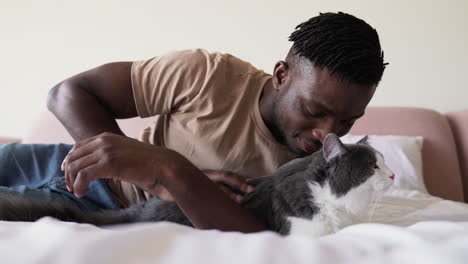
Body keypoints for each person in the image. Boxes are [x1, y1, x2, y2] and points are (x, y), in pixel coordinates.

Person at [0, 12, 386, 233]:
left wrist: (176, 175)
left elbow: (253, 235)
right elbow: (68, 94)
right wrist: (139, 168)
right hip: (66, 164)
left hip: (108, 214)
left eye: (348, 120)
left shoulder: (315, 178)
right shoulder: (207, 75)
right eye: (314, 111)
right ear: (282, 75)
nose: (327, 134)